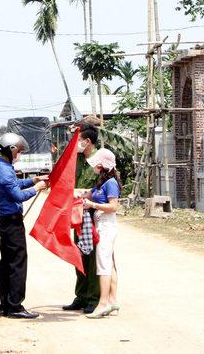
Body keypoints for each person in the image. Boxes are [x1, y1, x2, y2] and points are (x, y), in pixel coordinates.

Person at [0, 132, 48, 319]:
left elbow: (15, 184)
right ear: (11, 149)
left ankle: (6, 305)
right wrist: (36, 189)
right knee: (17, 262)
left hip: (7, 221)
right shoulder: (4, 169)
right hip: (11, 222)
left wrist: (33, 180)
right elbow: (17, 195)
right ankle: (15, 306)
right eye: (18, 151)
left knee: (7, 262)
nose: (19, 155)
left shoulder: (2, 166)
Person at [63, 120, 101, 314]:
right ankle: (81, 296)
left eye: (78, 139)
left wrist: (85, 194)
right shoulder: (75, 159)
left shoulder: (100, 160)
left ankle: (94, 298)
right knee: (78, 254)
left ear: (88, 141)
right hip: (76, 214)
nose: (75, 143)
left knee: (93, 257)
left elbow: (105, 188)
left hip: (92, 213)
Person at [82, 148, 121, 318]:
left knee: (103, 265)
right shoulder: (101, 183)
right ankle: (113, 300)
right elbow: (86, 194)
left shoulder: (111, 183)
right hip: (101, 225)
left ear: (102, 165)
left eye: (96, 164)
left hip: (106, 226)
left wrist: (93, 205)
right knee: (109, 264)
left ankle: (103, 303)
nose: (94, 167)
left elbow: (113, 207)